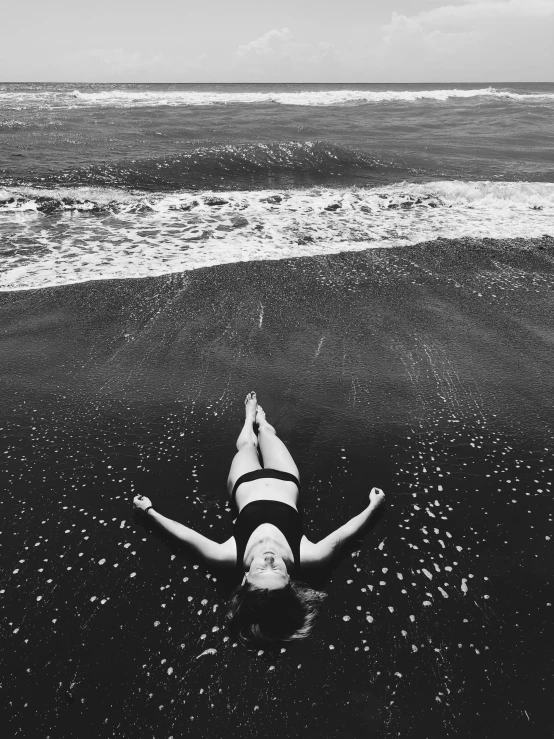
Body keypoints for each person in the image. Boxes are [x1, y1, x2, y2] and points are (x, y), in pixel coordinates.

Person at [133, 392, 385, 648]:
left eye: (260, 570)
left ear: (244, 579)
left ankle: (248, 417)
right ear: (290, 581)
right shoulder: (308, 555)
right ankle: (259, 421)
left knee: (246, 446)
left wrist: (150, 512)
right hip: (286, 478)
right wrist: (374, 506)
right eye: (276, 570)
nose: (268, 561)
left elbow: (184, 536)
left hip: (244, 482)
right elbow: (347, 532)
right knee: (268, 434)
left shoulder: (228, 555)